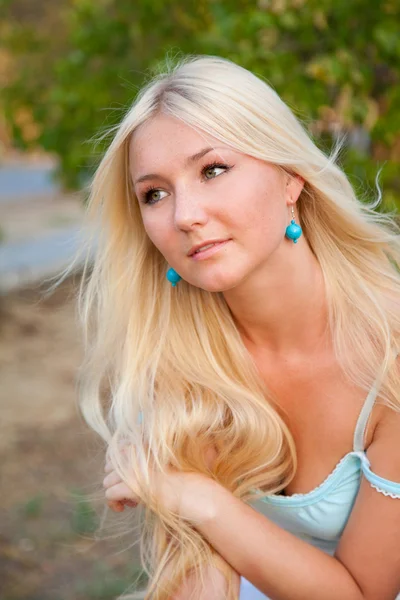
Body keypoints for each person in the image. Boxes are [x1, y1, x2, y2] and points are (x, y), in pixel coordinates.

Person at [76, 55, 400, 599]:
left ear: (291, 178)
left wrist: (195, 498)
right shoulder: (176, 361)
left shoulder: (390, 356)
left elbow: (366, 593)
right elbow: (195, 581)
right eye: (154, 193)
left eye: (213, 170)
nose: (184, 215)